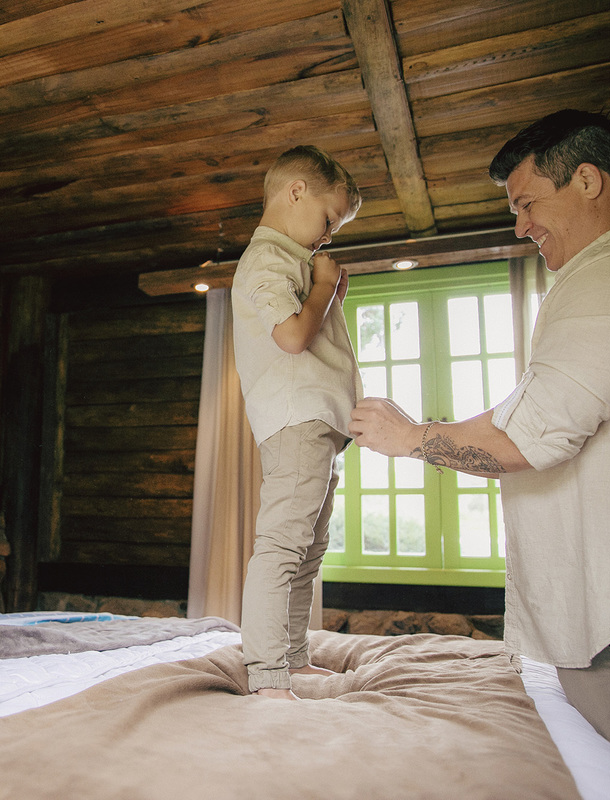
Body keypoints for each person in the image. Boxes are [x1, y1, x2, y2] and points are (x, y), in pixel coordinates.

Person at [348, 109, 610, 799]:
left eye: (527, 203)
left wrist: (409, 437)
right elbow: (537, 422)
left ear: (589, 180)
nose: (520, 226)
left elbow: (526, 439)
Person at [231, 145, 363, 699]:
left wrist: (324, 291)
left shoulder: (299, 262)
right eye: (331, 219)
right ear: (296, 192)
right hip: (296, 420)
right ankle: (265, 673)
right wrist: (325, 290)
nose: (330, 234)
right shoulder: (268, 259)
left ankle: (292, 657)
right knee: (284, 545)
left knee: (310, 550)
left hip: (320, 424)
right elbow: (291, 336)